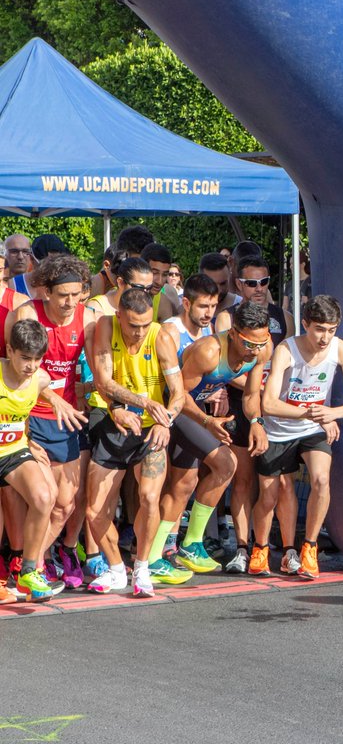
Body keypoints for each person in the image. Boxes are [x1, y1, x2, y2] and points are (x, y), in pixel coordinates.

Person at [254, 296, 343, 579]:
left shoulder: (340, 349)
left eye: (332, 329)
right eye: (319, 329)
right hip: (279, 429)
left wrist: (331, 413)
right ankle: (261, 548)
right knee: (271, 496)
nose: (325, 337)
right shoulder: (285, 350)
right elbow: (268, 404)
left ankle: (310, 548)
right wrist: (309, 412)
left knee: (321, 479)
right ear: (304, 324)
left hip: (312, 430)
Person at [156, 301, 271, 579]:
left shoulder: (261, 349)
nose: (253, 351)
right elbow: (178, 396)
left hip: (197, 413)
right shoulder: (209, 351)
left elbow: (250, 394)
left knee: (184, 484)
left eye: (261, 343)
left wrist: (257, 422)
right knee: (226, 463)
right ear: (232, 334)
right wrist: (207, 422)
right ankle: (185, 544)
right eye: (248, 344)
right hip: (177, 408)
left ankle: (161, 551)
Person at [84, 289, 185, 597]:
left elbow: (179, 394)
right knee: (93, 511)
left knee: (149, 498)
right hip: (115, 424)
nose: (139, 332)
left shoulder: (160, 337)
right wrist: (138, 402)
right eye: (133, 326)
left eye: (144, 325)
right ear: (120, 318)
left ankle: (142, 567)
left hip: (151, 429)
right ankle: (116, 569)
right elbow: (103, 381)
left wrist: (164, 421)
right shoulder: (105, 326)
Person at [7, 255, 95, 590]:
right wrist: (27, 429)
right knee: (42, 497)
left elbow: (101, 371)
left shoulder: (88, 317)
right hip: (31, 416)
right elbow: (18, 367)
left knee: (64, 505)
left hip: (66, 418)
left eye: (77, 294)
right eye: (63, 295)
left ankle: (35, 564)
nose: (71, 302)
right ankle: (23, 565)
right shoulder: (28, 313)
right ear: (46, 292)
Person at [223, 255, 292, 573]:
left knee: (281, 482)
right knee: (243, 480)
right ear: (239, 283)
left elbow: (290, 361)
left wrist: (281, 397)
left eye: (264, 282)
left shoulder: (282, 315)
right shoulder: (227, 317)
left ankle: (280, 546)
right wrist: (259, 390)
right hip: (241, 403)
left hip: (276, 408)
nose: (259, 288)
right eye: (251, 283)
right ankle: (241, 546)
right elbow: (224, 370)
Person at [0, 319, 63, 601]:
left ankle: (28, 571)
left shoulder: (40, 379)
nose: (31, 365)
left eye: (38, 359)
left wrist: (29, 440)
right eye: (25, 358)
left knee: (45, 497)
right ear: (10, 351)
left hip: (13, 451)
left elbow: (19, 416)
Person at [141, 242, 183, 321]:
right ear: (141, 268)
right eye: (154, 273)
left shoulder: (163, 303)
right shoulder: (121, 296)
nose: (159, 281)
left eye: (164, 274)